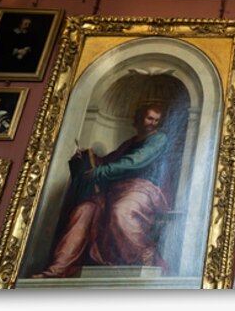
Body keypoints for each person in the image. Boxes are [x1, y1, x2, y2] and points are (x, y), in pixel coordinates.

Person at [33, 103, 170, 278]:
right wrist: (85, 159)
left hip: (142, 188)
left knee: (121, 212)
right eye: (149, 118)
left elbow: (135, 161)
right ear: (139, 118)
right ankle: (58, 268)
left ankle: (145, 256)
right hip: (114, 190)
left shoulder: (159, 139)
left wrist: (101, 171)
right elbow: (108, 162)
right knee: (83, 211)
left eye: (157, 120)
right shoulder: (129, 143)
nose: (153, 123)